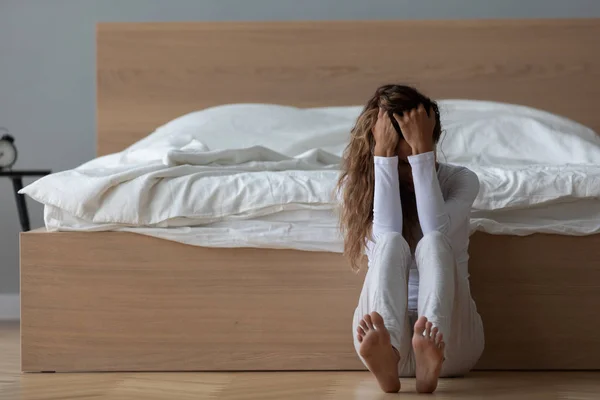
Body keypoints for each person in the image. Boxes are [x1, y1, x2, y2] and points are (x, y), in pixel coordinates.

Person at [337, 85, 485, 393]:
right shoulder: (357, 189)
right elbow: (384, 235)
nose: (410, 171)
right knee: (390, 242)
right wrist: (383, 158)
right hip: (383, 337)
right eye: (401, 162)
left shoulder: (461, 180)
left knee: (432, 243)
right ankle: (388, 355)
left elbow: (437, 231)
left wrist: (421, 155)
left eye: (420, 153)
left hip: (452, 348)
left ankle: (429, 358)